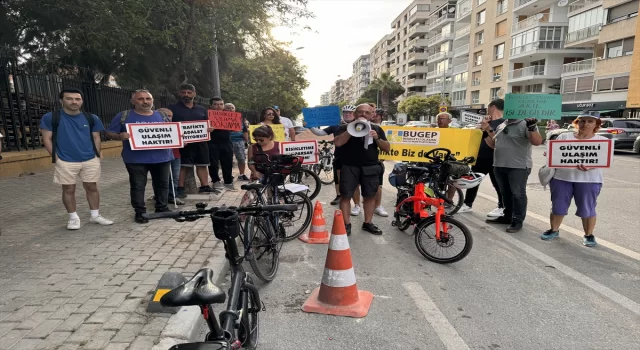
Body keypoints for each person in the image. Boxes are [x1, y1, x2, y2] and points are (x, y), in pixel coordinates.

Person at [40, 88, 113, 230]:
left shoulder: (91, 118)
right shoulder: (51, 117)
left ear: (82, 101)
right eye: (70, 98)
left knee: (92, 187)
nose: (74, 102)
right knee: (68, 189)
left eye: (77, 99)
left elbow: (96, 137)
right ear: (62, 101)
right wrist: (56, 158)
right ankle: (73, 218)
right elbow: (47, 139)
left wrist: (97, 156)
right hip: (65, 160)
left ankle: (95, 215)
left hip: (90, 159)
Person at [106, 90, 174, 223]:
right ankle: (140, 212)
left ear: (152, 100)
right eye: (140, 99)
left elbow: (171, 131)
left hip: (162, 157)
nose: (145, 101)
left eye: (148, 98)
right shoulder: (123, 116)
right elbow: (109, 132)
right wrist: (119, 136)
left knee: (163, 184)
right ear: (133, 101)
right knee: (138, 185)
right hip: (135, 159)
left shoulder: (162, 115)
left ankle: (162, 208)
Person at [541, 113, 606, 247]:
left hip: (589, 180)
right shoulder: (564, 136)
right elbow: (553, 154)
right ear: (577, 122)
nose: (585, 124)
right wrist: (550, 154)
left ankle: (589, 235)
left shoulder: (601, 140)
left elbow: (605, 160)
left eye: (590, 121)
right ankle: (554, 230)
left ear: (596, 125)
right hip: (561, 178)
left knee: (587, 208)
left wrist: (591, 165)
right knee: (558, 206)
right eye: (582, 121)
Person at [481, 104, 543, 233]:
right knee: (505, 194)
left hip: (518, 167)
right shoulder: (502, 124)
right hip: (499, 165)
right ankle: (507, 216)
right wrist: (486, 130)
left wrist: (532, 128)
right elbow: (494, 144)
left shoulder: (526, 123)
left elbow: (537, 142)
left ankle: (517, 220)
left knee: (518, 194)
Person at [333, 104, 391, 236]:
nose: (363, 115)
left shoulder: (377, 128)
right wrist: (351, 130)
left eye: (367, 112)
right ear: (355, 114)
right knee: (345, 196)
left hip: (370, 167)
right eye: (360, 112)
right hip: (349, 166)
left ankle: (368, 223)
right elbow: (338, 143)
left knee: (370, 196)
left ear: (372, 115)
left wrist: (376, 137)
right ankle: (346, 224)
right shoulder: (344, 127)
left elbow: (387, 148)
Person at [307, 105, 362, 212]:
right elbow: (320, 133)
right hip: (340, 156)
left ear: (354, 114)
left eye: (350, 113)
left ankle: (357, 205)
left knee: (355, 183)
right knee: (340, 180)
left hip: (356, 158)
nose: (347, 114)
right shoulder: (335, 125)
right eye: (345, 112)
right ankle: (341, 198)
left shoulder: (359, 124)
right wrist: (310, 125)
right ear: (342, 113)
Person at [458, 100, 505, 216]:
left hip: (495, 158)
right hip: (480, 157)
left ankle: (502, 206)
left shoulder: (503, 123)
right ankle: (467, 204)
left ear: (493, 107)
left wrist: (487, 127)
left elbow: (499, 141)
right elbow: (475, 136)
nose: (487, 110)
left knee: (498, 184)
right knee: (473, 181)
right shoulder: (486, 121)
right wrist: (481, 126)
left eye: (488, 108)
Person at [168, 84, 215, 196]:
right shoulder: (172, 108)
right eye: (184, 92)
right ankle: (180, 187)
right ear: (180, 93)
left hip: (201, 142)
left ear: (194, 94)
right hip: (183, 143)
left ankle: (205, 186)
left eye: (189, 93)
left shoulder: (202, 109)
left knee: (202, 164)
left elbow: (207, 124)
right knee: (183, 166)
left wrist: (209, 129)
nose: (186, 95)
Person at [157, 108, 185, 205]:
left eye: (169, 116)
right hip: (160, 156)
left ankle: (173, 196)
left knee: (174, 177)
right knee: (161, 178)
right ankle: (160, 197)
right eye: (164, 115)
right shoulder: (153, 128)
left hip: (175, 155)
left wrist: (183, 141)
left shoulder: (176, 127)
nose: (167, 118)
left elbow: (184, 142)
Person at [208, 97, 236, 191]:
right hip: (212, 143)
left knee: (228, 162)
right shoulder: (207, 115)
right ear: (211, 105)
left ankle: (228, 182)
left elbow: (234, 127)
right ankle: (215, 181)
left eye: (221, 104)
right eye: (215, 104)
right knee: (213, 164)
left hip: (226, 142)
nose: (218, 106)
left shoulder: (228, 115)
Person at [370, 109, 388, 217]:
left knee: (377, 185)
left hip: (378, 160)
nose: (374, 116)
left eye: (376, 114)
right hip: (367, 160)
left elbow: (387, 145)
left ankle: (377, 206)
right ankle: (357, 205)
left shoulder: (380, 128)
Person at [225, 103, 250, 181]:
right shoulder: (221, 119)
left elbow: (245, 131)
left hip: (239, 141)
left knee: (242, 158)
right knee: (228, 159)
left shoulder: (240, 119)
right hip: (227, 141)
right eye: (228, 108)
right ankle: (229, 174)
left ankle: (242, 174)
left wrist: (247, 141)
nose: (230, 109)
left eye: (232, 108)